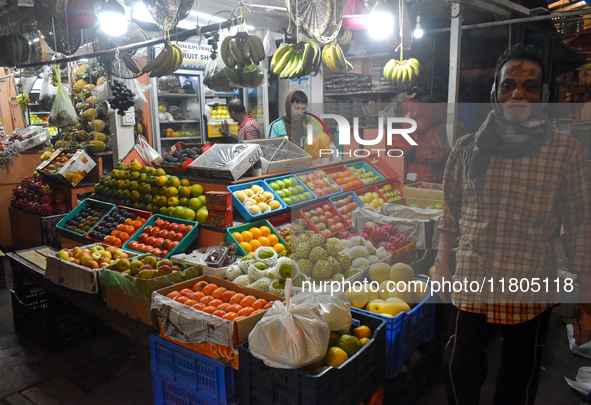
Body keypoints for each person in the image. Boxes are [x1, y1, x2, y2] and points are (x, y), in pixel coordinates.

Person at [434, 44, 591, 405]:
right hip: (474, 278)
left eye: (529, 85)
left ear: (543, 95)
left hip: (530, 283)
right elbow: (451, 212)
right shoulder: (465, 148)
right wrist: (442, 262)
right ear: (495, 93)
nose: (518, 92)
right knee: (458, 368)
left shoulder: (566, 153)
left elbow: (582, 229)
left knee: (518, 379)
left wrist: (585, 303)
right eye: (508, 85)